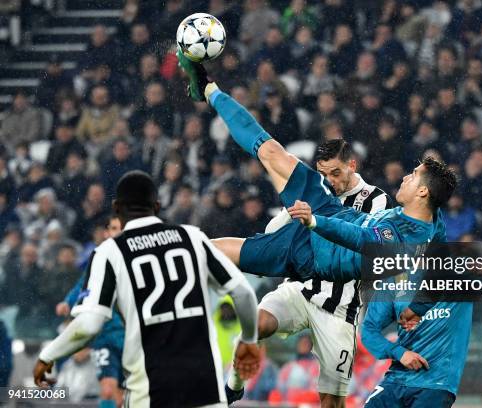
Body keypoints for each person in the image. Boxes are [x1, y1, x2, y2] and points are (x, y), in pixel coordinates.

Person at [177, 50, 454, 285]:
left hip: (310, 253)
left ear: (422, 192)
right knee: (272, 152)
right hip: (331, 210)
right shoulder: (433, 221)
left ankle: (167, 260)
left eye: (414, 176)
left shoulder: (399, 240)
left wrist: (313, 221)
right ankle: (209, 89)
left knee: (225, 252)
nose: (407, 176)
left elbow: (358, 237)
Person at [33, 171, 261, 408]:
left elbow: (88, 326)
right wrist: (249, 340)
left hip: (152, 394)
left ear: (116, 207)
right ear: (158, 205)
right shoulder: (192, 237)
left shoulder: (110, 252)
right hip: (205, 392)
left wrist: (48, 355)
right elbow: (243, 292)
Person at [226, 139, 393, 407]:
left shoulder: (376, 200)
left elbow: (367, 244)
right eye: (323, 173)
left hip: (340, 306)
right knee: (255, 325)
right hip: (300, 288)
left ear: (352, 165)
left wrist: (316, 222)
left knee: (331, 402)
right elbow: (275, 230)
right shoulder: (314, 190)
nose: (329, 180)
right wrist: (281, 231)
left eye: (335, 173)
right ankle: (233, 386)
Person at [55, 216, 125, 408]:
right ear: (106, 233)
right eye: (114, 228)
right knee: (108, 390)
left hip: (133, 334)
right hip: (107, 333)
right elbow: (83, 285)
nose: (118, 232)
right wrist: (68, 302)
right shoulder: (100, 258)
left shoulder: (139, 257)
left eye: (122, 228)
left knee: (127, 391)